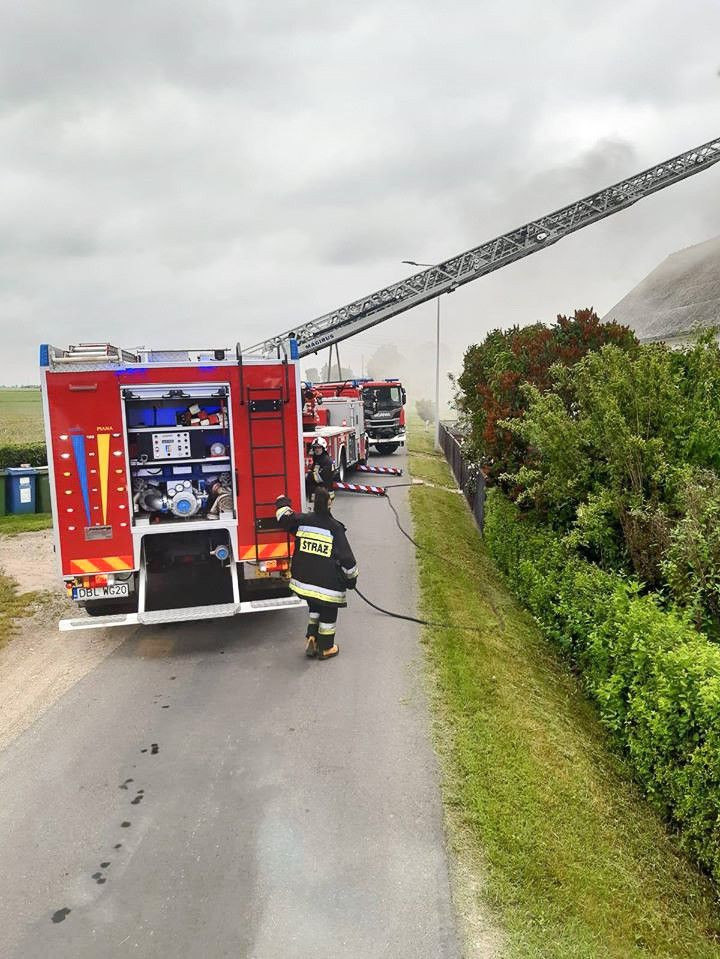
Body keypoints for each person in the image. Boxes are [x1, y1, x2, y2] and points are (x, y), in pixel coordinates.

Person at [275, 486, 358, 660]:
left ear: (313, 503)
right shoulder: (335, 528)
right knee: (328, 609)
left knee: (315, 604)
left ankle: (312, 636)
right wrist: (351, 580)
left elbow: (283, 517)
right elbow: (348, 562)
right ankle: (326, 648)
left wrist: (283, 500)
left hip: (303, 581)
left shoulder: (302, 521)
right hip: (327, 585)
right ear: (329, 504)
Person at [305, 435, 336, 500]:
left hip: (325, 495)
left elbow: (321, 478)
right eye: (315, 448)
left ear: (323, 448)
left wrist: (310, 475)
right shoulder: (318, 459)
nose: (317, 449)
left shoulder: (327, 461)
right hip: (318, 494)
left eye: (319, 447)